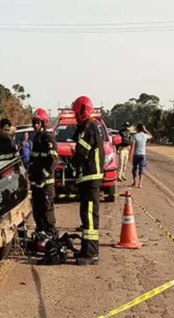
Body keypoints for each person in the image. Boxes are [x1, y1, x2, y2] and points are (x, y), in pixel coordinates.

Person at [69, 95, 103, 266]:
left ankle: (91, 253)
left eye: (76, 114)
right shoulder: (88, 126)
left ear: (82, 112)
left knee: (89, 216)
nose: (75, 117)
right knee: (85, 216)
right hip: (87, 179)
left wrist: (72, 164)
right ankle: (86, 249)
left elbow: (82, 153)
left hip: (91, 178)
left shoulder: (88, 126)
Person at [28, 108, 58, 236]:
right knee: (37, 210)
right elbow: (33, 160)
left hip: (46, 183)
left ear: (43, 123)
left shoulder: (48, 139)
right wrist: (31, 175)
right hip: (36, 183)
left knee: (47, 210)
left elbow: (53, 160)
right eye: (34, 122)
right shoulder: (36, 139)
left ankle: (51, 233)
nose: (35, 125)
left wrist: (43, 176)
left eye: (38, 122)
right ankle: (40, 233)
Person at [129, 123, 151, 189]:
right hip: (143, 154)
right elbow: (151, 136)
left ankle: (134, 182)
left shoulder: (135, 136)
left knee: (134, 169)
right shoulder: (145, 135)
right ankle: (140, 184)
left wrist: (130, 155)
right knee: (141, 169)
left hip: (136, 154)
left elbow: (132, 147)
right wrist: (145, 130)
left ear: (137, 129)